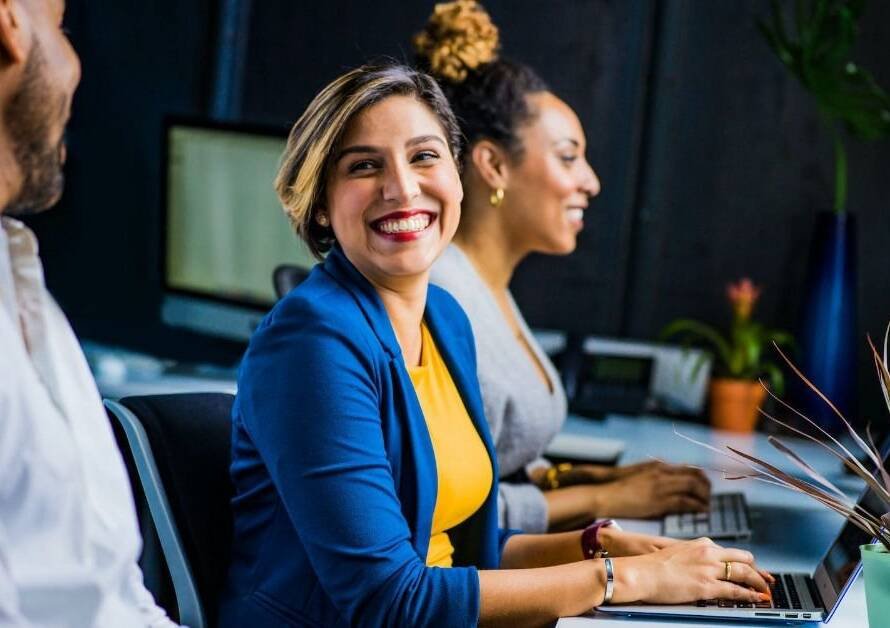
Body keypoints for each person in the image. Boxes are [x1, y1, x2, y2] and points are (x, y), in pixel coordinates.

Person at [218, 62, 771, 627]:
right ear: (319, 205)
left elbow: (467, 555)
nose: (402, 187)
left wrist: (601, 548)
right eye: (364, 166)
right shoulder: (312, 344)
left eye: (424, 156)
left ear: (458, 178)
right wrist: (620, 580)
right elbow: (390, 600)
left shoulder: (445, 319)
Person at [418, 0, 711, 533]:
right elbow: (448, 514)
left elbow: (499, 464)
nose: (591, 182)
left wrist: (591, 480)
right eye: (568, 156)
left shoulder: (487, 288)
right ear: (493, 164)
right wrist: (605, 500)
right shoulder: (442, 298)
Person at [0, 1, 177, 625]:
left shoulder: (23, 287)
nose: (76, 66)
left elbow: (112, 594)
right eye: (62, 27)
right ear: (10, 25)